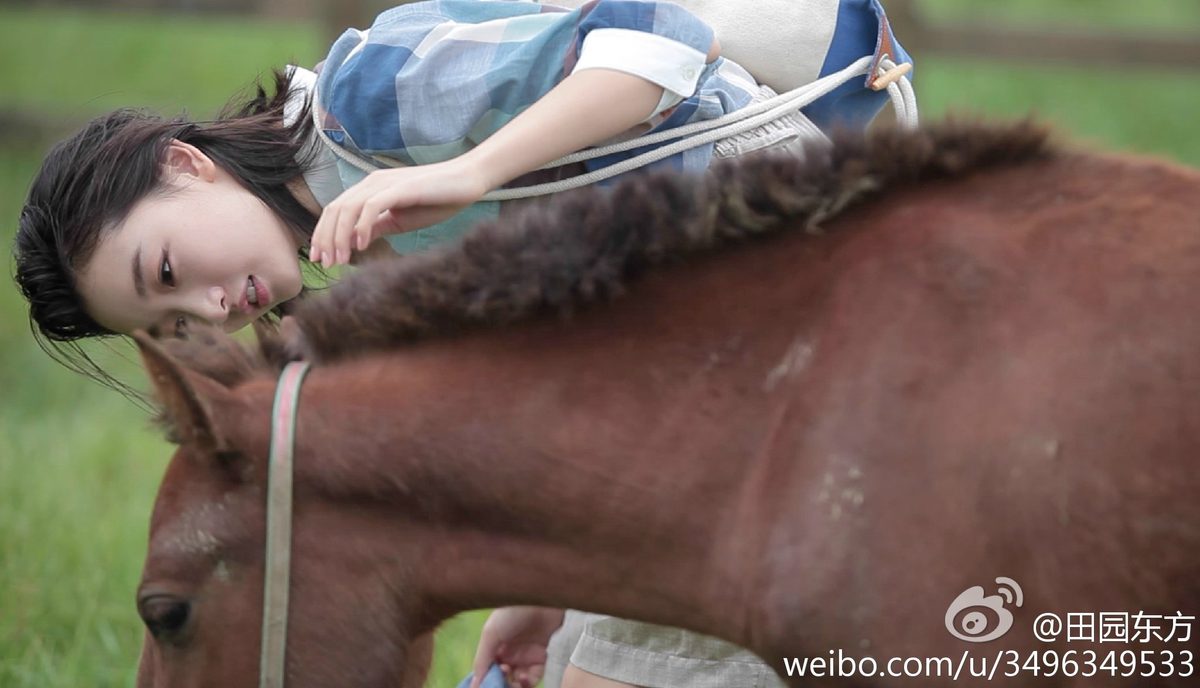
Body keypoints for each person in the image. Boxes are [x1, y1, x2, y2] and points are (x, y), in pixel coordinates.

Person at [12, 1, 910, 686]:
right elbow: (559, 371)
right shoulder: (363, 251)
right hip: (716, 333)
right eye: (175, 326)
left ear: (186, 164)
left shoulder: (367, 104)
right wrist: (544, 600)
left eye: (166, 271)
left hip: (772, 263)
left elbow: (657, 35)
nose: (210, 312)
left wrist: (468, 169)